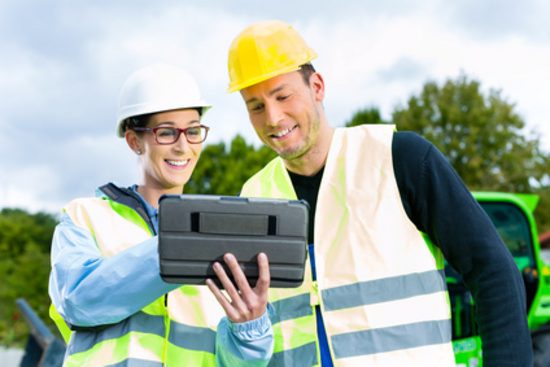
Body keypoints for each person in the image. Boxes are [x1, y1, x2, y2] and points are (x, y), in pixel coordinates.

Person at [227, 20, 532, 366]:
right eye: (255, 106)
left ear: (317, 86)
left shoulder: (400, 158)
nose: (273, 117)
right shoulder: (253, 197)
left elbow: (493, 272)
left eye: (283, 96)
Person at [48, 63, 273, 366]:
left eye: (193, 131)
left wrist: (249, 328)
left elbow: (237, 363)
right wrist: (180, 243)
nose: (183, 147)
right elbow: (79, 302)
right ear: (133, 140)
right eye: (167, 132)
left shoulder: (222, 231)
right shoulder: (85, 216)